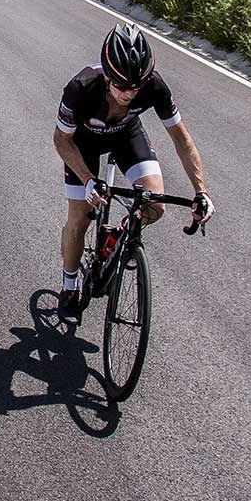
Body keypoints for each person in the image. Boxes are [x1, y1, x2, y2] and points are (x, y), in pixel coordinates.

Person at [52, 24, 214, 320]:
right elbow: (61, 140)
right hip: (82, 144)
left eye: (136, 86)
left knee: (156, 206)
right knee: (79, 219)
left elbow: (182, 139)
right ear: (106, 76)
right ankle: (70, 284)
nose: (129, 93)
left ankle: (119, 238)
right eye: (122, 86)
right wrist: (89, 181)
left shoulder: (153, 85)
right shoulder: (80, 88)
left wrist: (201, 191)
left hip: (126, 136)